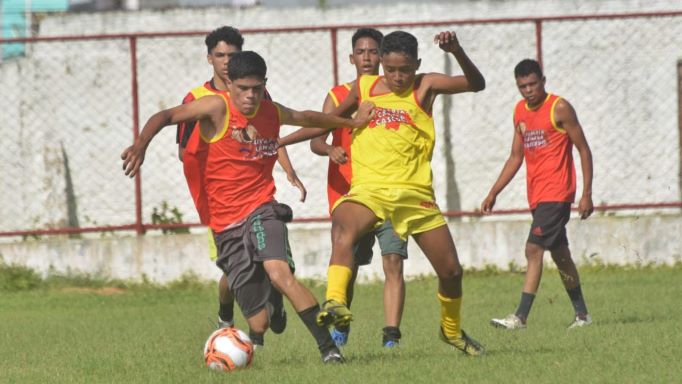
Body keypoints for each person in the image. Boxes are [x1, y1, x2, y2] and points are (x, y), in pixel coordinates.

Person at [121, 51, 374, 363]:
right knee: (259, 324)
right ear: (229, 84)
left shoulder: (271, 111)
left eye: (256, 88)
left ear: (264, 85)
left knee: (279, 272)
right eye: (243, 88)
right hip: (226, 225)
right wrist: (140, 144)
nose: (250, 96)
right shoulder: (216, 107)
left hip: (262, 208)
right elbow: (165, 116)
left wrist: (351, 122)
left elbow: (309, 117)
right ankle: (248, 308)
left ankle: (329, 350)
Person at [279, 30, 486, 356]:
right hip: (369, 191)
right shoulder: (362, 89)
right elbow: (328, 123)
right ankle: (335, 301)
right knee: (343, 226)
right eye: (391, 69)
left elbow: (476, 84)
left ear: (416, 64)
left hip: (415, 196)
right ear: (381, 64)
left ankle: (451, 330)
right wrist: (280, 141)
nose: (398, 76)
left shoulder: (426, 85)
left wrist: (457, 50)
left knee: (451, 272)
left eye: (405, 69)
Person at [176, 26, 306, 342]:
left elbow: (270, 137)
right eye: (219, 55)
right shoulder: (198, 100)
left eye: (231, 55)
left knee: (274, 263)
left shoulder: (256, 93)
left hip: (257, 200)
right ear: (209, 58)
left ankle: (266, 314)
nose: (225, 61)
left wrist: (289, 170)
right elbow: (184, 150)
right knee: (236, 271)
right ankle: (226, 312)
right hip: (218, 203)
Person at [309, 28, 407, 348]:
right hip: (349, 196)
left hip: (389, 190)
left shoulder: (396, 95)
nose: (367, 57)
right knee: (348, 263)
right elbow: (316, 139)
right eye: (361, 52)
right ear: (351, 58)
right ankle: (341, 322)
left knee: (393, 260)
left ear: (382, 56)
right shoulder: (338, 96)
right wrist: (330, 150)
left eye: (372, 51)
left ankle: (391, 337)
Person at [481, 58, 594, 330]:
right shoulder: (520, 111)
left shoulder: (560, 108)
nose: (528, 90)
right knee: (561, 255)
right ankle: (582, 316)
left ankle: (520, 317)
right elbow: (515, 156)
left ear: (543, 81)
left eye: (533, 84)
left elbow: (584, 149)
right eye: (522, 86)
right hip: (537, 195)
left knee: (533, 249)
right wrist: (494, 191)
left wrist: (586, 193)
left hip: (557, 194)